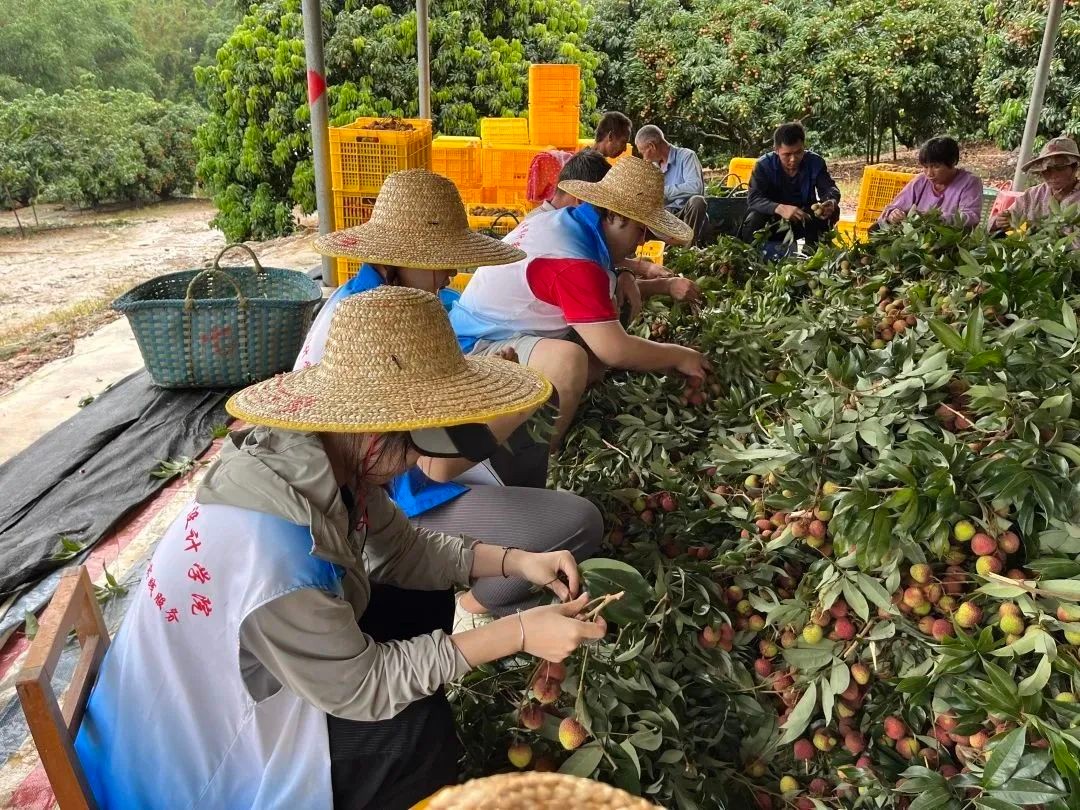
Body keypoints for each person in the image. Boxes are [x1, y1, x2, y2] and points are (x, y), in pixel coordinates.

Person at [74, 287, 608, 810]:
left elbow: (404, 551)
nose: (413, 468)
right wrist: (517, 633)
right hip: (188, 763)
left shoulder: (321, 457)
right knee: (413, 733)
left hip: (229, 674)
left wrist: (516, 561)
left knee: (417, 601)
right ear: (376, 434)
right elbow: (365, 686)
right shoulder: (279, 551)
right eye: (415, 447)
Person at [303, 169, 603, 635]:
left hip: (383, 486)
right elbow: (435, 464)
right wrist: (518, 403)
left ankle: (497, 555)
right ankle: (475, 604)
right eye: (441, 261)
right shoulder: (382, 322)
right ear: (401, 259)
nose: (450, 273)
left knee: (527, 433)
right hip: (387, 504)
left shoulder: (374, 298)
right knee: (581, 522)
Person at [450, 156, 711, 448]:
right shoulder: (570, 258)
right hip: (476, 351)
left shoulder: (569, 224)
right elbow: (616, 350)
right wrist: (679, 356)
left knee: (601, 332)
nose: (641, 242)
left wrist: (640, 282)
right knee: (570, 362)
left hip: (501, 334)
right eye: (641, 230)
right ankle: (538, 455)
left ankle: (551, 405)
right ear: (616, 216)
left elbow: (599, 301)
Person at [741, 122, 841, 248]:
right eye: (787, 154)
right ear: (776, 150)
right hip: (773, 219)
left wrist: (830, 201)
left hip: (803, 217)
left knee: (831, 211)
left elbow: (829, 188)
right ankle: (753, 254)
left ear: (804, 146)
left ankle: (814, 250)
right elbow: (754, 198)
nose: (793, 159)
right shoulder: (763, 165)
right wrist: (779, 208)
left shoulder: (815, 162)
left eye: (798, 152)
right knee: (754, 219)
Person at [879, 137, 983, 228]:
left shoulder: (969, 182)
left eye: (936, 166)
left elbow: (971, 217)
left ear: (953, 162)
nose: (929, 173)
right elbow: (893, 208)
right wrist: (893, 214)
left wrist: (937, 219)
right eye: (925, 167)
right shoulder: (920, 181)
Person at [634, 124, 709, 245]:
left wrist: (662, 192)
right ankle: (668, 246)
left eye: (643, 152)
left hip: (687, 216)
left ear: (652, 146)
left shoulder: (687, 156)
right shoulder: (653, 167)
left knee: (697, 201)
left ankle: (689, 248)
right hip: (666, 219)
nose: (644, 158)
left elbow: (696, 187)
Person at [991, 136, 1080, 234]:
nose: (1053, 175)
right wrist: (1000, 221)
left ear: (1074, 168)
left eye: (1060, 168)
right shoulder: (1032, 195)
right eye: (1047, 170)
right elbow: (1008, 219)